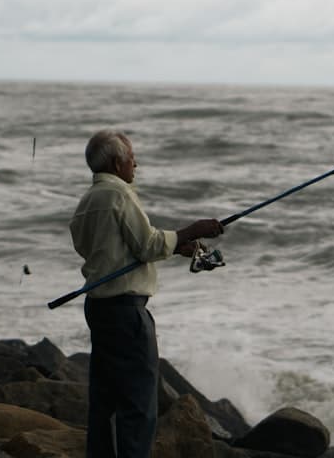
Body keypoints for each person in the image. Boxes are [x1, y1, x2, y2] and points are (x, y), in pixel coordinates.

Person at [70, 129, 223, 458]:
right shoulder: (119, 195)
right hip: (126, 311)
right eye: (131, 158)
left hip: (98, 306)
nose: (135, 164)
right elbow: (148, 243)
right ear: (116, 162)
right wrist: (194, 229)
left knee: (105, 400)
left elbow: (103, 249)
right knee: (138, 402)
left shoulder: (87, 201)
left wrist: (178, 247)